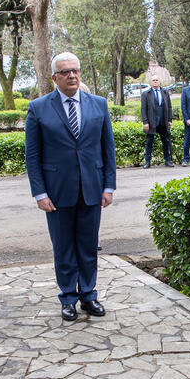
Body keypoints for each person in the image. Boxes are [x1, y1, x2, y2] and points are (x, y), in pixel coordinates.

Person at [25, 52, 117, 322]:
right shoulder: (38, 108)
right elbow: (33, 156)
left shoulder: (98, 105)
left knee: (88, 246)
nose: (72, 75)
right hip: (57, 192)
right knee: (63, 247)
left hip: (91, 187)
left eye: (75, 70)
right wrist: (40, 193)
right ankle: (68, 298)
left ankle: (89, 295)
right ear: (55, 77)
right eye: (65, 72)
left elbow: (107, 149)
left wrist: (108, 186)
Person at [140, 75, 174, 168]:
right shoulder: (146, 94)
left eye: (157, 80)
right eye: (153, 80)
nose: (155, 82)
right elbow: (143, 109)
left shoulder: (165, 92)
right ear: (151, 82)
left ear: (159, 81)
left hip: (163, 122)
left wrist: (170, 120)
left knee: (165, 142)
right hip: (151, 123)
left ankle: (167, 160)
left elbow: (169, 107)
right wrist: (145, 122)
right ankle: (147, 162)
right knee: (149, 142)